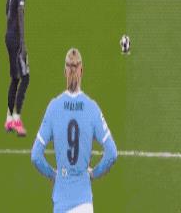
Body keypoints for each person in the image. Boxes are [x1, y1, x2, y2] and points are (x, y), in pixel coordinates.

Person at [31, 48, 117, 213]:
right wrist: (93, 174)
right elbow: (112, 153)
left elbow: (36, 156)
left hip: (62, 203)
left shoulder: (54, 107)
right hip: (84, 203)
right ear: (81, 71)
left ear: (65, 71)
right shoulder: (92, 108)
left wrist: (54, 175)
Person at [4, 0, 30, 136]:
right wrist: (22, 42)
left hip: (8, 35)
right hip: (15, 38)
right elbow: (20, 12)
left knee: (15, 77)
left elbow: (7, 10)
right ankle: (17, 119)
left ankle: (8, 120)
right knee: (25, 77)